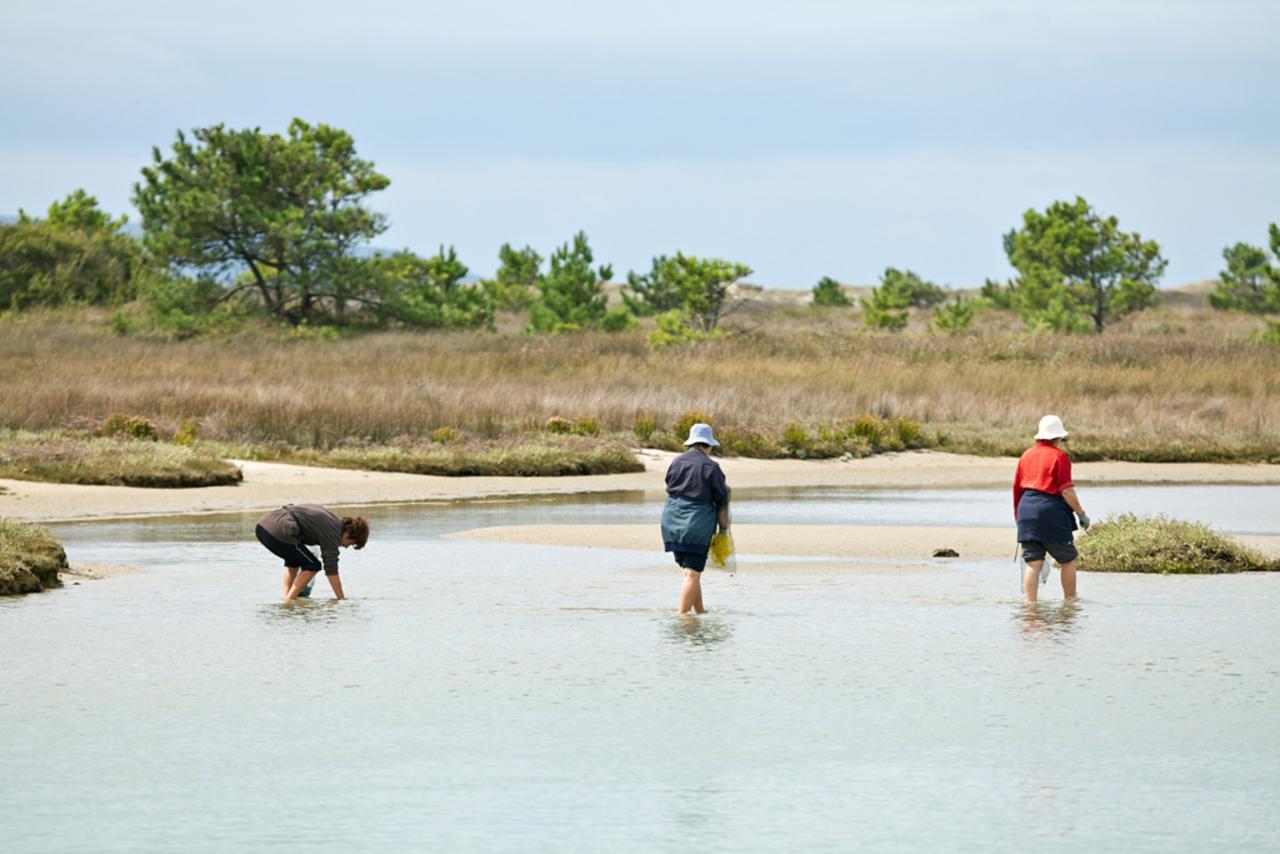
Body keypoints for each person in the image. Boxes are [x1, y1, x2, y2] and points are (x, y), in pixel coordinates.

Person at [1013, 415, 1090, 602]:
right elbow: (1067, 491)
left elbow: (1017, 489)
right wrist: (1081, 514)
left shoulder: (1026, 455)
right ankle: (1070, 602)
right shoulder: (1060, 457)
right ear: (1058, 437)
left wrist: (1019, 519)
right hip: (1051, 512)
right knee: (1068, 559)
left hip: (1026, 511)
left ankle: (1030, 605)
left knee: (1034, 563)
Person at [660, 423, 731, 615]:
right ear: (707, 446)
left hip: (671, 522)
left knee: (690, 571)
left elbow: (670, 485)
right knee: (692, 573)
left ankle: (699, 612)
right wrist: (724, 531)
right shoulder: (711, 467)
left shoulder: (676, 462)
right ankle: (683, 619)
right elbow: (722, 501)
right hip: (695, 525)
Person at [255, 504, 369, 602]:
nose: (345, 547)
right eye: (350, 543)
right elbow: (331, 569)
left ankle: (287, 598)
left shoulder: (332, 519)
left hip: (262, 527)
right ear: (348, 532)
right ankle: (289, 601)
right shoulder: (334, 531)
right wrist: (341, 600)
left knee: (294, 561)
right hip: (279, 529)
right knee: (313, 565)